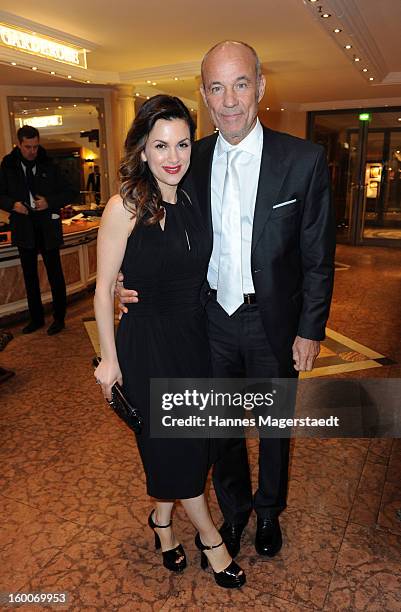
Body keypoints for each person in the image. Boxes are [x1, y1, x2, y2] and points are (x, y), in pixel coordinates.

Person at [117, 41, 336, 560]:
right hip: (208, 318)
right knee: (222, 429)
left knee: (275, 427)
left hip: (273, 320)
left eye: (241, 84)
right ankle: (234, 512)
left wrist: (311, 329)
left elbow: (317, 257)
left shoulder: (303, 161)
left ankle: (268, 512)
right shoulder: (190, 159)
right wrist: (119, 278)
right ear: (204, 95)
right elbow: (149, 223)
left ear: (260, 86)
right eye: (217, 87)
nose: (230, 99)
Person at [93, 95, 245, 589]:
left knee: (187, 444)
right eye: (160, 145)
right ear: (142, 149)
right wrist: (109, 362)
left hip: (193, 337)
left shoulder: (191, 199)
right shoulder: (125, 206)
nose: (173, 156)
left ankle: (162, 522)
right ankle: (210, 540)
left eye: (181, 143)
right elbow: (102, 289)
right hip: (148, 343)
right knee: (176, 445)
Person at [0, 126, 77, 335]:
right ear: (19, 144)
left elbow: (71, 192)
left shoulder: (49, 164)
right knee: (30, 277)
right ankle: (36, 319)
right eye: (27, 147)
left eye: (35, 146)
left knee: (55, 275)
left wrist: (49, 202)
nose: (32, 151)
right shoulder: (7, 165)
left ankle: (59, 318)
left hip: (48, 228)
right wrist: (12, 204)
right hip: (24, 228)